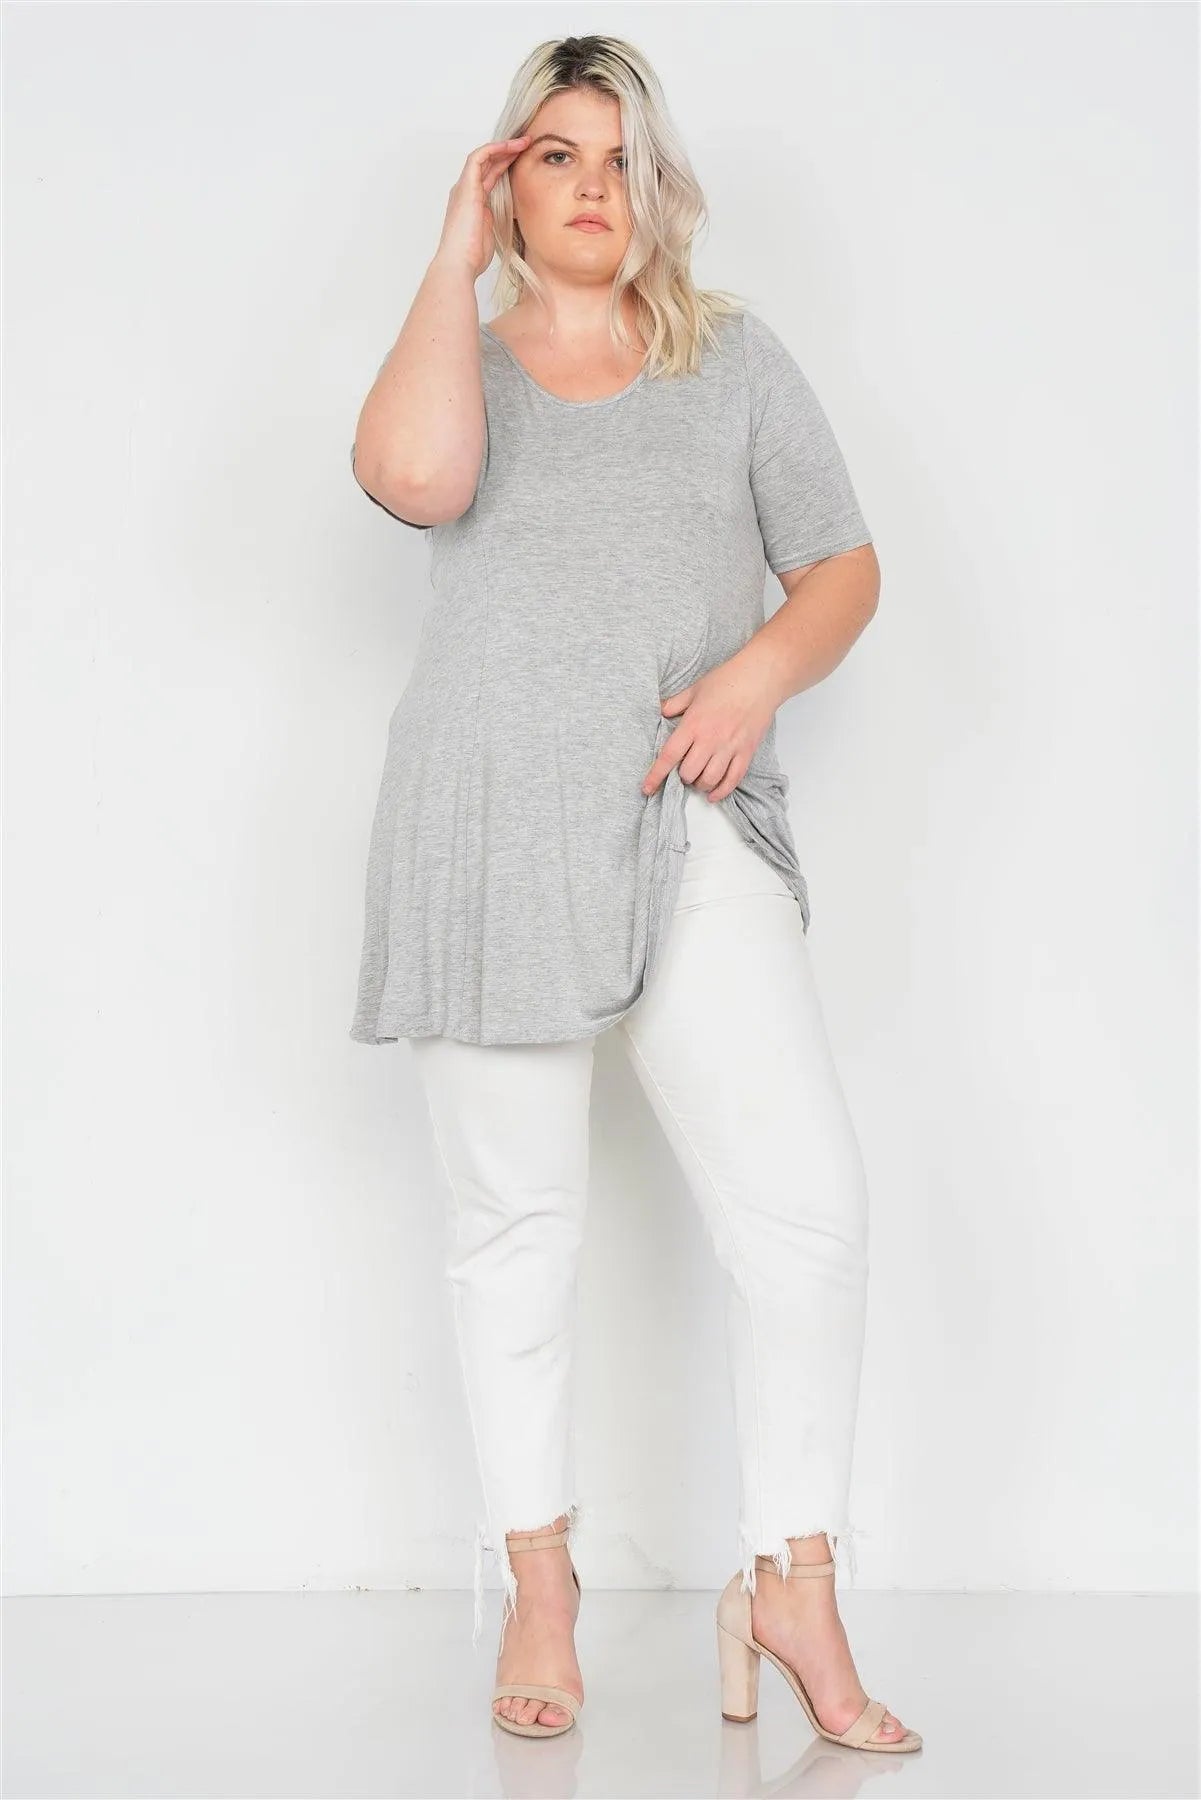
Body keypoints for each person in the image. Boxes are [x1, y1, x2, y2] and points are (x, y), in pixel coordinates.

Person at [348, 34, 921, 1754]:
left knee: (806, 1213)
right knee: (513, 1227)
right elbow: (416, 480)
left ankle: (794, 1582)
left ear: (657, 187)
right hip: (487, 829)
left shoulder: (732, 360)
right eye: (554, 155)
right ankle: (540, 1587)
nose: (591, 184)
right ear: (504, 183)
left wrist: (752, 677)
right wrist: (450, 264)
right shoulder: (462, 361)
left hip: (686, 820)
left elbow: (841, 566)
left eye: (619, 157)